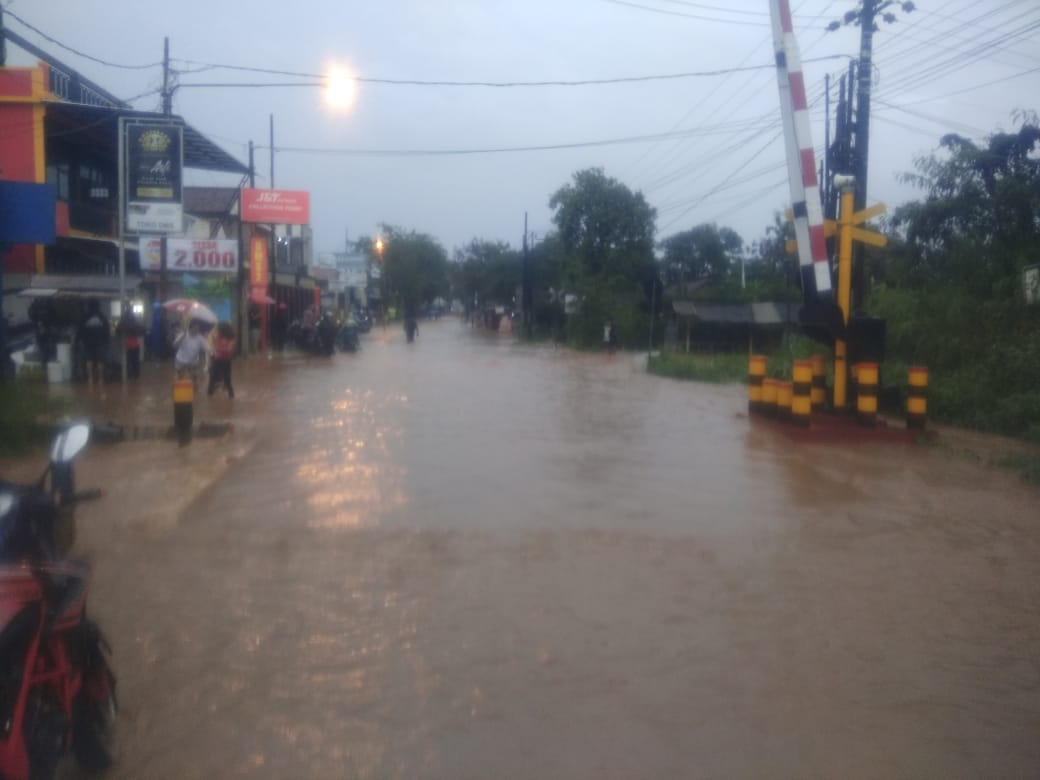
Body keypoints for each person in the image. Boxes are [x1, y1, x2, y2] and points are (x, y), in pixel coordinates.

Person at [78, 300, 109, 386]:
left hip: (88, 342)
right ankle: (100, 379)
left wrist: (80, 340)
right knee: (100, 361)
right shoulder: (102, 317)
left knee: (89, 360)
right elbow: (107, 331)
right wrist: (106, 341)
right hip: (100, 342)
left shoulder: (85, 317)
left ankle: (90, 378)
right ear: (98, 306)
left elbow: (80, 330)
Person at [174, 320, 209, 384]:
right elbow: (175, 345)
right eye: (195, 328)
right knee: (179, 376)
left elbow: (207, 348)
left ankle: (195, 389)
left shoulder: (200, 337)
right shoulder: (183, 335)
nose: (197, 330)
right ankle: (177, 388)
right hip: (181, 360)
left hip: (193, 361)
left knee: (194, 376)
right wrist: (182, 337)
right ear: (190, 328)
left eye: (198, 329)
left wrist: (211, 352)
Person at [208, 322, 236, 398]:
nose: (218, 330)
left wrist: (218, 349)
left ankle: (230, 393)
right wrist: (214, 348)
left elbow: (229, 349)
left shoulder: (231, 338)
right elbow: (212, 339)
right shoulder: (218, 336)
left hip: (225, 360)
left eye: (219, 329)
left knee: (227, 378)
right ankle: (210, 392)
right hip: (218, 359)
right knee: (213, 376)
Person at [117, 306, 144, 380]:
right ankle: (136, 375)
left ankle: (129, 374)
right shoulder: (135, 322)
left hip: (127, 344)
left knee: (128, 361)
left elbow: (118, 330)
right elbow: (141, 331)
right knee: (135, 361)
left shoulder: (123, 322)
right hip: (135, 344)